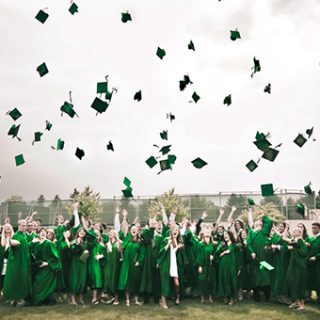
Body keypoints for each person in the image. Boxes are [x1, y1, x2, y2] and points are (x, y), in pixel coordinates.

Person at [3, 219, 32, 306]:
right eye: (22, 225)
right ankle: (18, 299)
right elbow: (11, 243)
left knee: (22, 279)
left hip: (24, 262)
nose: (23, 227)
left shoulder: (24, 235)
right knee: (17, 279)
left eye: (25, 225)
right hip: (17, 262)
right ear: (18, 226)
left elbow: (25, 247)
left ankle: (16, 299)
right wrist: (11, 242)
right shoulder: (16, 235)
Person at [29, 228, 62, 305]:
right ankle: (41, 300)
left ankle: (40, 300)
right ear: (38, 233)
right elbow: (30, 252)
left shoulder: (49, 243)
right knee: (37, 284)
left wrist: (48, 263)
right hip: (39, 267)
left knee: (40, 283)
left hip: (48, 268)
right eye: (41, 232)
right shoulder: (37, 243)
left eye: (44, 232)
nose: (43, 233)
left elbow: (56, 257)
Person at [157, 225, 186, 309]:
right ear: (171, 231)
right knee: (165, 283)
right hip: (166, 263)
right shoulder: (166, 240)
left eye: (177, 230)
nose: (175, 231)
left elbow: (178, 253)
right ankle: (163, 302)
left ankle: (177, 297)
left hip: (174, 265)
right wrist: (168, 244)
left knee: (177, 284)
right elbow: (161, 251)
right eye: (174, 229)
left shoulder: (179, 241)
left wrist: (179, 247)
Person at [247, 214, 273, 302]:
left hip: (264, 257)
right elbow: (249, 243)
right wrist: (252, 252)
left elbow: (270, 222)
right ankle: (256, 296)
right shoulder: (251, 232)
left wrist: (263, 217)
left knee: (265, 276)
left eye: (260, 223)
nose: (258, 224)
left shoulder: (264, 232)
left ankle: (267, 296)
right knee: (255, 277)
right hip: (255, 258)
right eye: (256, 222)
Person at [118, 225, 145, 306]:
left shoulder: (140, 241)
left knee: (135, 281)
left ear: (138, 231)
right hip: (127, 263)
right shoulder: (128, 239)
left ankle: (136, 299)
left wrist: (139, 261)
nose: (133, 230)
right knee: (127, 281)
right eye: (132, 229)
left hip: (135, 263)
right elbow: (122, 248)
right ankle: (127, 300)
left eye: (135, 229)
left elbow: (142, 253)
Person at [283, 226, 308, 310]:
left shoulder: (300, 240)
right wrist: (286, 228)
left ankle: (302, 304)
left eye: (296, 230)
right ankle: (296, 302)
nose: (294, 231)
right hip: (293, 264)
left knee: (299, 283)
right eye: (293, 230)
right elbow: (284, 238)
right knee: (293, 282)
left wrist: (294, 249)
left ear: (300, 233)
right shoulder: (294, 240)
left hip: (299, 266)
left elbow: (304, 252)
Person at [215, 231, 237, 305]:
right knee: (224, 280)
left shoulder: (234, 245)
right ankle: (225, 297)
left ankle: (232, 298)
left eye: (226, 234)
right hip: (223, 266)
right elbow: (217, 253)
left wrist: (224, 253)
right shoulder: (222, 244)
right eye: (224, 235)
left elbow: (232, 252)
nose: (225, 236)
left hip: (232, 265)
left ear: (230, 235)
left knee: (231, 281)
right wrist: (223, 251)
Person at [195, 228, 216, 303]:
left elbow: (215, 254)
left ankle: (210, 297)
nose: (207, 233)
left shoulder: (213, 244)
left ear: (210, 234)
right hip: (203, 265)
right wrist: (199, 265)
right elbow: (198, 255)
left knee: (210, 280)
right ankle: (202, 297)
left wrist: (213, 257)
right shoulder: (200, 244)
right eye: (206, 232)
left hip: (210, 265)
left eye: (208, 232)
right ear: (203, 234)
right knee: (202, 280)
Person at [307, 222, 320, 301]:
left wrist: (316, 257)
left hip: (318, 262)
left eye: (315, 228)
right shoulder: (312, 238)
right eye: (312, 228)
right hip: (312, 263)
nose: (313, 230)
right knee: (314, 279)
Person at [0, 224, 14, 296]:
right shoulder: (1, 238)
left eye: (9, 227)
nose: (8, 228)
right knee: (2, 278)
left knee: (9, 278)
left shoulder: (14, 237)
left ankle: (9, 293)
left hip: (11, 261)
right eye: (6, 227)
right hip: (2, 261)